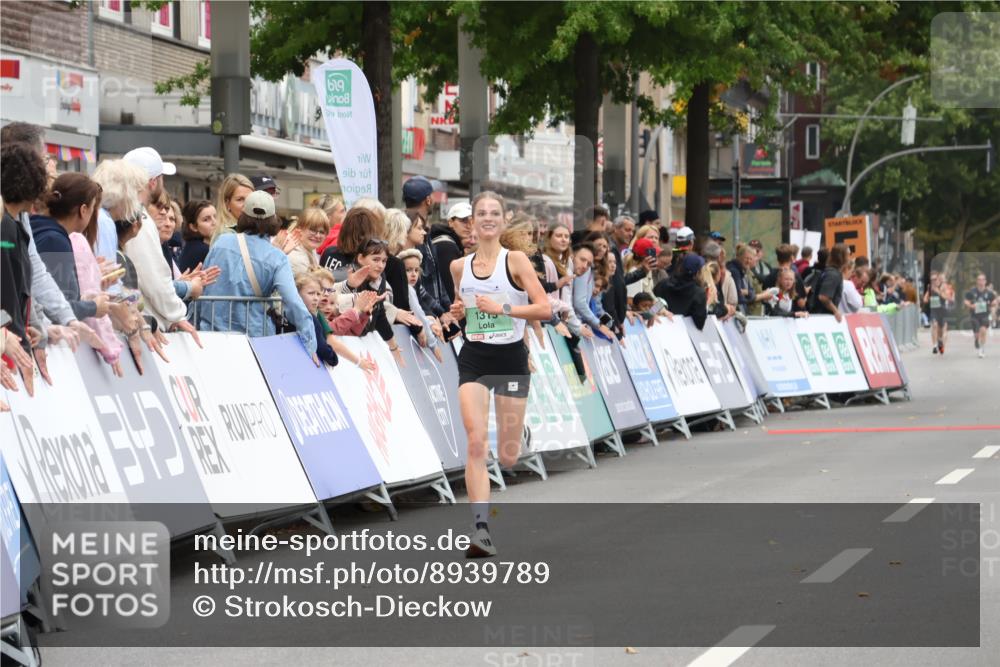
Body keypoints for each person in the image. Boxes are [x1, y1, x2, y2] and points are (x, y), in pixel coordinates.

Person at [446, 191, 551, 558]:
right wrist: (459, 313)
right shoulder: (459, 267)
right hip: (474, 357)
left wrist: (504, 307)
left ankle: (517, 434)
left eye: (494, 213)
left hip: (510, 358)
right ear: (472, 222)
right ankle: (480, 530)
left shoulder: (517, 260)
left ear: (504, 221)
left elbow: (545, 308)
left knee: (507, 455)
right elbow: (464, 310)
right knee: (476, 441)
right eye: (481, 213)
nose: (487, 218)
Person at [198, 191, 317, 361]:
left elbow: (204, 283)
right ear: (274, 220)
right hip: (254, 339)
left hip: (211, 335)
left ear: (244, 216)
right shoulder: (277, 257)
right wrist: (309, 343)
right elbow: (293, 301)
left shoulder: (221, 243)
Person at [120, 148, 202, 345]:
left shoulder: (122, 213)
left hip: (133, 322)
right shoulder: (139, 219)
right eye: (161, 177)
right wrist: (178, 314)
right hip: (139, 330)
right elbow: (153, 279)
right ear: (153, 182)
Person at [31, 173, 109, 323]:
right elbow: (53, 307)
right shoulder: (55, 241)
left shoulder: (40, 229)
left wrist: (84, 300)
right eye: (93, 208)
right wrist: (92, 307)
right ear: (83, 210)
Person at [654, 253, 710, 330]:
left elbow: (652, 308)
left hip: (658, 330)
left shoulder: (663, 284)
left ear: (681, 268)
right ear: (697, 273)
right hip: (682, 335)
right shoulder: (699, 293)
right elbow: (699, 324)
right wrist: (707, 304)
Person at [807, 242, 849, 321]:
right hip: (823, 317)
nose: (849, 259)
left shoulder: (830, 272)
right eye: (847, 255)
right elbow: (823, 297)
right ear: (843, 257)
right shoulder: (833, 274)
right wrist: (835, 311)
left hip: (821, 316)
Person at [211, 173, 254, 243]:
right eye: (240, 199)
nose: (247, 204)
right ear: (227, 204)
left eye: (250, 198)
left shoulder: (248, 230)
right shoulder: (225, 235)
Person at [288, 207, 329, 277]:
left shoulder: (309, 248)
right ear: (300, 229)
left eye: (322, 232)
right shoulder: (297, 258)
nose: (318, 236)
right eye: (313, 230)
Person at [178, 200, 216, 273]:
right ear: (193, 227)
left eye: (215, 216)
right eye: (206, 219)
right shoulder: (202, 250)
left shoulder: (191, 245)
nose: (214, 222)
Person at [964, 273, 995, 358]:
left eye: (982, 280)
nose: (981, 281)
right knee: (977, 333)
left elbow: (994, 301)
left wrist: (993, 303)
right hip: (974, 316)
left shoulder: (989, 293)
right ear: (977, 281)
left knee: (983, 330)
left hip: (985, 315)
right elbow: (966, 301)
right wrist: (971, 306)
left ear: (985, 281)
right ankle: (976, 339)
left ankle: (982, 349)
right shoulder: (972, 291)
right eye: (979, 280)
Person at [923, 271, 951, 354]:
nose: (933, 281)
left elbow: (946, 297)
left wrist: (937, 291)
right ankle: (934, 346)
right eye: (931, 280)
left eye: (935, 279)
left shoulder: (943, 286)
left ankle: (941, 344)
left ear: (938, 279)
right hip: (934, 310)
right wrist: (926, 299)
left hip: (943, 310)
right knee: (934, 325)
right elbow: (925, 298)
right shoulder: (929, 287)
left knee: (942, 330)